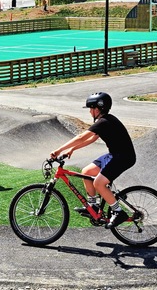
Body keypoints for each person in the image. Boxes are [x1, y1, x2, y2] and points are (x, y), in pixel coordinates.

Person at [49, 92, 136, 228]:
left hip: (124, 157)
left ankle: (119, 212)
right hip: (114, 154)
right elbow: (92, 138)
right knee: (87, 171)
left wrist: (58, 150)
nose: (90, 111)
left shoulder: (105, 122)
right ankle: (93, 206)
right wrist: (73, 149)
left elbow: (81, 137)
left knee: (99, 183)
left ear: (98, 108)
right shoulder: (105, 121)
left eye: (91, 108)